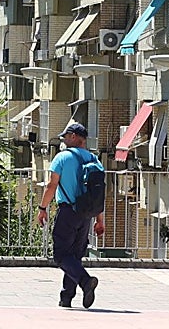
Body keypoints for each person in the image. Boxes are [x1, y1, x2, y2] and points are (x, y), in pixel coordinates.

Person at [36, 121, 105, 309]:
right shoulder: (94, 159)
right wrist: (99, 220)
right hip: (86, 215)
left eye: (66, 136)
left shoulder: (62, 157)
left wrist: (42, 208)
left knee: (60, 255)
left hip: (68, 211)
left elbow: (52, 185)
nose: (64, 140)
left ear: (74, 137)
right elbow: (97, 193)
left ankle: (85, 282)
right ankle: (66, 298)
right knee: (74, 256)